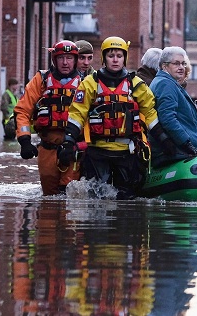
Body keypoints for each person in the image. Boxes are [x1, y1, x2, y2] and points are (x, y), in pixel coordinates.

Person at [57, 36, 159, 200]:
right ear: (104, 58)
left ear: (124, 58)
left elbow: (150, 114)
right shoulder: (90, 83)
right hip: (97, 153)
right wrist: (68, 140)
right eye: (111, 56)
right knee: (96, 200)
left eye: (119, 56)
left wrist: (164, 138)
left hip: (127, 153)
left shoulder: (136, 84)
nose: (115, 60)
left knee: (127, 200)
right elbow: (77, 113)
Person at [14, 40, 83, 195]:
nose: (65, 63)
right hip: (48, 146)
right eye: (60, 58)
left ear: (76, 60)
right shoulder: (42, 80)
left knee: (69, 195)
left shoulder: (85, 83)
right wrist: (25, 140)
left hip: (73, 149)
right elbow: (22, 111)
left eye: (69, 58)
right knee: (49, 196)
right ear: (54, 60)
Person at [149, 46, 197, 166]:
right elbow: (168, 118)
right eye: (176, 64)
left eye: (183, 64)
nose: (181, 67)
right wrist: (186, 144)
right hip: (180, 151)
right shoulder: (165, 84)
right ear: (164, 66)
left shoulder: (167, 83)